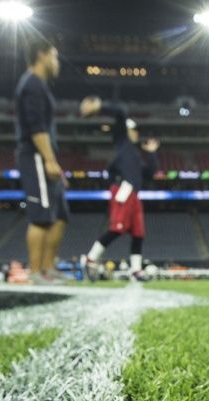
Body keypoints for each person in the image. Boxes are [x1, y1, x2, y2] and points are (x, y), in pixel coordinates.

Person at [78, 97, 160, 281]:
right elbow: (121, 111)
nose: (136, 134)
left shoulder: (136, 155)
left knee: (138, 234)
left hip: (134, 195)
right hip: (123, 190)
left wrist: (152, 153)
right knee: (117, 228)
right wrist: (100, 106)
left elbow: (151, 172)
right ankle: (90, 259)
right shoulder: (123, 142)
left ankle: (136, 270)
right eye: (134, 130)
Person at [14, 38, 68, 285]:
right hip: (35, 155)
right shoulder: (32, 85)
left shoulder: (40, 86)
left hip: (45, 155)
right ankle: (36, 273)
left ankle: (48, 269)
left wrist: (54, 161)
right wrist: (48, 159)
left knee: (59, 216)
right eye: (54, 56)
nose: (57, 62)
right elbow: (36, 128)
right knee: (41, 216)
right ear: (41, 54)